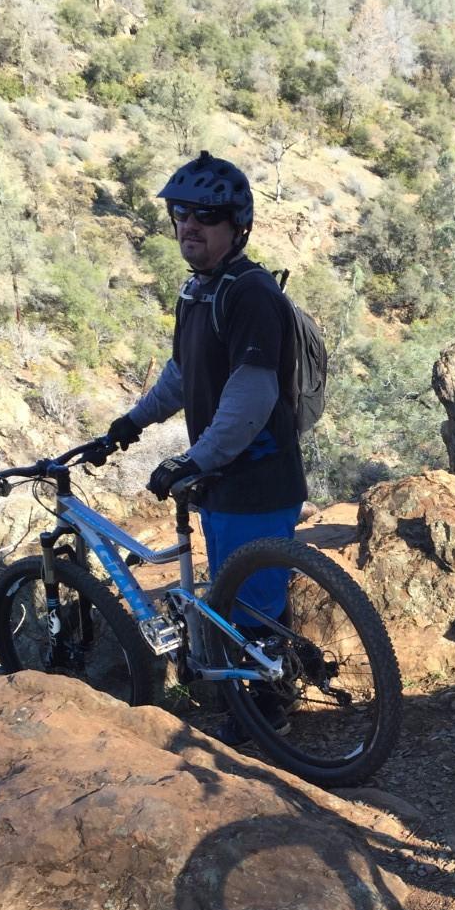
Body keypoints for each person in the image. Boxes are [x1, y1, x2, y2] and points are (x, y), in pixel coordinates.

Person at [107, 150, 307, 735]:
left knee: (250, 604)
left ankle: (266, 720)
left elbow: (252, 393)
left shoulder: (250, 293)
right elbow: (181, 373)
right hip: (223, 481)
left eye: (205, 215)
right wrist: (131, 423)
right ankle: (267, 692)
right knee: (239, 597)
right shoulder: (200, 290)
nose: (188, 224)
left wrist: (194, 459)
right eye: (179, 213)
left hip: (258, 477)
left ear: (235, 225)